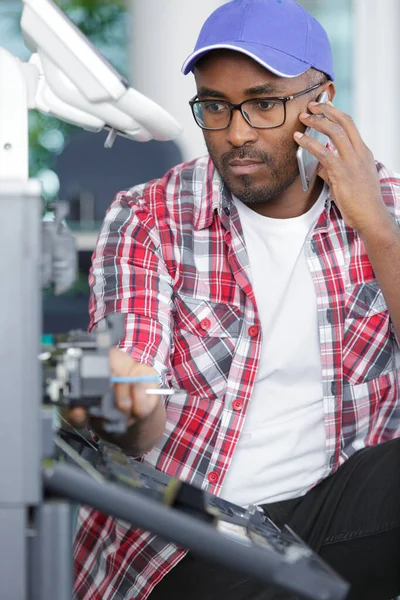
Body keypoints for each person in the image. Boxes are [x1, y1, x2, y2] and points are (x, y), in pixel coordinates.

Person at [72, 1, 400, 599]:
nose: (237, 132)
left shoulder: (386, 210)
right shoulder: (150, 218)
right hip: (191, 541)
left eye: (265, 102)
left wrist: (375, 227)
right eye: (215, 106)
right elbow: (135, 398)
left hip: (329, 523)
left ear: (320, 101)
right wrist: (121, 401)